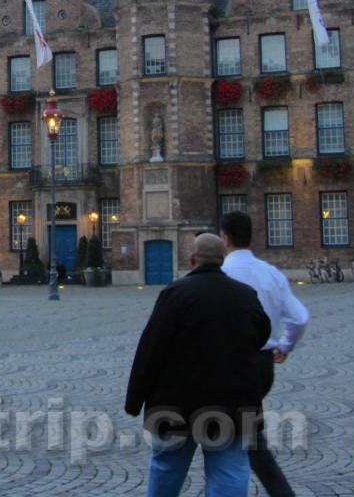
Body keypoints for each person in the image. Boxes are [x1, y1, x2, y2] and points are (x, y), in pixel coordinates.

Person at [126, 233, 271, 497]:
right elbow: (262, 336)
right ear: (223, 259)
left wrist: (134, 401)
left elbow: (150, 349)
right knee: (230, 469)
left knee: (167, 467)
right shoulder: (245, 295)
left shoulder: (175, 294)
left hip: (177, 402)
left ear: (192, 259)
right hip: (232, 400)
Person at [221, 210, 309, 497]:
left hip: (230, 366)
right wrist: (284, 345)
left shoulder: (222, 275)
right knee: (243, 434)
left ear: (226, 238)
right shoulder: (270, 273)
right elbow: (299, 318)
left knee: (240, 437)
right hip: (262, 366)